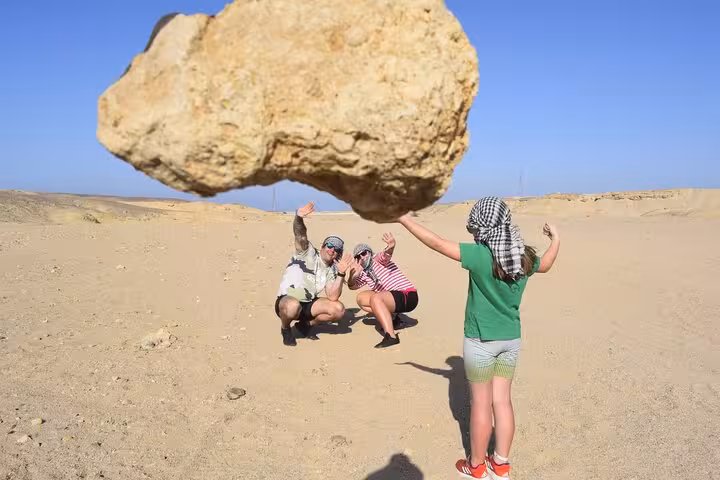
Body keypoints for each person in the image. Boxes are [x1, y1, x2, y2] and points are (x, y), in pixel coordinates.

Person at [396, 197, 560, 479]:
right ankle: (501, 465)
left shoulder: (480, 255)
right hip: (510, 340)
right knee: (503, 402)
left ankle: (476, 467)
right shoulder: (524, 256)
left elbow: (436, 243)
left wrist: (403, 218)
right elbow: (545, 264)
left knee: (481, 405)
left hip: (480, 341)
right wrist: (555, 238)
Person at [275, 202, 352, 346]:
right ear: (323, 247)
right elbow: (300, 235)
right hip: (288, 300)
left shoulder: (331, 269)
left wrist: (341, 274)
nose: (332, 250)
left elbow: (332, 296)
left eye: (337, 249)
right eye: (329, 245)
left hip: (309, 304)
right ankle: (285, 329)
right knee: (292, 307)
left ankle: (306, 325)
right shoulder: (307, 252)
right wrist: (299, 218)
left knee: (338, 310)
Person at [347, 233, 419, 348]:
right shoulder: (364, 273)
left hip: (408, 296)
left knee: (376, 298)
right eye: (358, 257)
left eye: (364, 253)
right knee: (362, 299)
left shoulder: (377, 260)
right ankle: (393, 319)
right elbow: (352, 286)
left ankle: (391, 337)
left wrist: (391, 246)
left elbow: (386, 255)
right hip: (393, 299)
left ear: (369, 252)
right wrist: (353, 276)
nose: (362, 257)